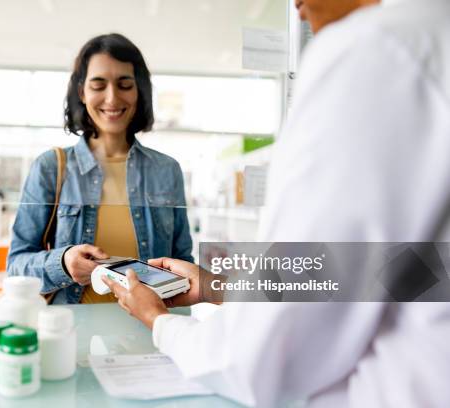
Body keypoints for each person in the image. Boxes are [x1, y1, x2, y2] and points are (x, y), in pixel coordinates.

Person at [103, 0, 450, 406]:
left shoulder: (376, 49)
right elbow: (400, 272)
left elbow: (263, 359)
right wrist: (216, 287)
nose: (297, 8)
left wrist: (159, 322)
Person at [7, 33, 193, 304]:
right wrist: (63, 262)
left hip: (149, 332)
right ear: (82, 92)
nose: (112, 97)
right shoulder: (50, 167)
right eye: (98, 85)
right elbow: (15, 266)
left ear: (139, 90)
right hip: (74, 334)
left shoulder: (166, 170)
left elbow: (183, 262)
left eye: (125, 84)